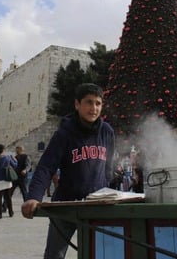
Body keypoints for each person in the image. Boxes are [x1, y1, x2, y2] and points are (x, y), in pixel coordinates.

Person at [21, 83, 115, 259]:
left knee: (99, 253)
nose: (93, 108)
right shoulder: (64, 133)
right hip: (66, 205)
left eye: (98, 103)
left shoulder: (107, 132)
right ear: (77, 104)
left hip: (97, 206)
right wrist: (33, 197)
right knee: (54, 254)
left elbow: (109, 168)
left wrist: (107, 190)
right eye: (88, 102)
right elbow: (46, 166)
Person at [0, 144, 17, 219]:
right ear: (3, 150)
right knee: (8, 197)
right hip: (6, 179)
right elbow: (15, 165)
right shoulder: (7, 158)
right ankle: (11, 212)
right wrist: (15, 160)